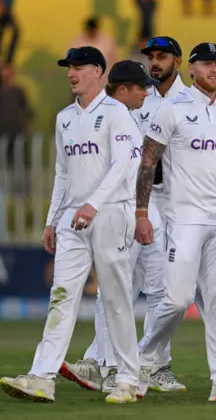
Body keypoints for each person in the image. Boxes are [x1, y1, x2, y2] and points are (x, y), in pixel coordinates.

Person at [0, 46, 142, 404]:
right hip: (73, 219)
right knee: (61, 296)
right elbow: (62, 172)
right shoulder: (64, 118)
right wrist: (51, 220)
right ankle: (41, 377)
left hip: (110, 213)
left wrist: (94, 204)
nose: (71, 73)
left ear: (98, 71)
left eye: (78, 66)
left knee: (115, 299)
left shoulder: (117, 113)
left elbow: (124, 164)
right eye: (68, 67)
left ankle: (126, 378)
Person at [134, 42, 216, 402]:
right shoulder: (171, 109)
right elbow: (147, 163)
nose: (214, 70)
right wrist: (142, 214)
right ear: (191, 68)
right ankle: (144, 356)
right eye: (206, 64)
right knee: (177, 300)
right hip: (184, 219)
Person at [58, 59, 171, 395]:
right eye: (141, 87)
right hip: (121, 212)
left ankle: (140, 363)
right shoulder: (100, 118)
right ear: (123, 89)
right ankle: (109, 366)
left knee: (161, 291)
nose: (147, 93)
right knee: (115, 290)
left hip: (146, 210)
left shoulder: (136, 113)